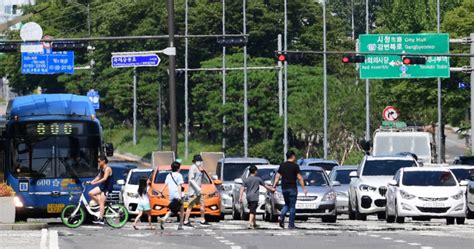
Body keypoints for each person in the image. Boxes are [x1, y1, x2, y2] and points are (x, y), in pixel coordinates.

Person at [273, 150, 307, 229]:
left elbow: (278, 176)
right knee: (292, 206)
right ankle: (291, 224)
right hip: (292, 188)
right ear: (292, 156)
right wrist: (304, 188)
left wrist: (274, 185)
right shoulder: (295, 166)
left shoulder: (282, 165)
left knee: (287, 204)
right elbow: (299, 178)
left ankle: (281, 217)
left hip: (284, 188)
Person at [158, 161, 185, 230]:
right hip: (177, 194)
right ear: (178, 168)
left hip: (171, 195)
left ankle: (164, 219)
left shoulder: (168, 175)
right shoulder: (179, 175)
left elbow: (165, 184)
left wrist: (161, 191)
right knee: (181, 209)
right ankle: (180, 225)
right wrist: (180, 196)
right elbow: (179, 186)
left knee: (172, 209)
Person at [183, 154, 208, 226]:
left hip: (199, 192)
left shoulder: (198, 168)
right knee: (190, 205)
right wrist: (198, 189)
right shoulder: (193, 168)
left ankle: (203, 219)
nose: (200, 162)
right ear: (195, 161)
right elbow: (191, 180)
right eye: (199, 161)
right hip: (193, 191)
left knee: (202, 204)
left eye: (200, 161)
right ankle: (186, 221)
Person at [88, 155, 113, 225]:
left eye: (99, 161)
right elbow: (99, 176)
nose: (98, 163)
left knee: (102, 203)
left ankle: (101, 219)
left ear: (103, 161)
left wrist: (95, 183)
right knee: (91, 193)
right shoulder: (102, 168)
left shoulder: (108, 168)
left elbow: (104, 178)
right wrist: (91, 182)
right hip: (102, 186)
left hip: (107, 188)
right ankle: (101, 205)